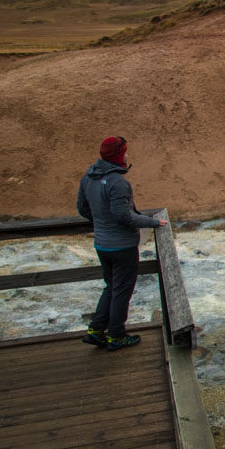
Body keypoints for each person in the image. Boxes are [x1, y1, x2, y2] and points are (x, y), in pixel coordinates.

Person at [77, 136, 167, 351]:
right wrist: (153, 222)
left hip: (102, 244)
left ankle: (96, 330)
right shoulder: (118, 182)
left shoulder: (88, 178)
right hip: (122, 246)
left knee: (111, 287)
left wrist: (101, 222)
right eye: (125, 152)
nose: (127, 155)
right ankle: (116, 335)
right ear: (119, 155)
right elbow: (123, 216)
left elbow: (83, 208)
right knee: (122, 291)